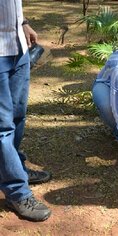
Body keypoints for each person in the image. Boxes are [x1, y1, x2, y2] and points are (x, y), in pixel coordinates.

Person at [0, 1, 51, 221]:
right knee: (2, 128)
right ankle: (16, 191)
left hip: (17, 46)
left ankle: (16, 168)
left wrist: (23, 22)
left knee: (18, 116)